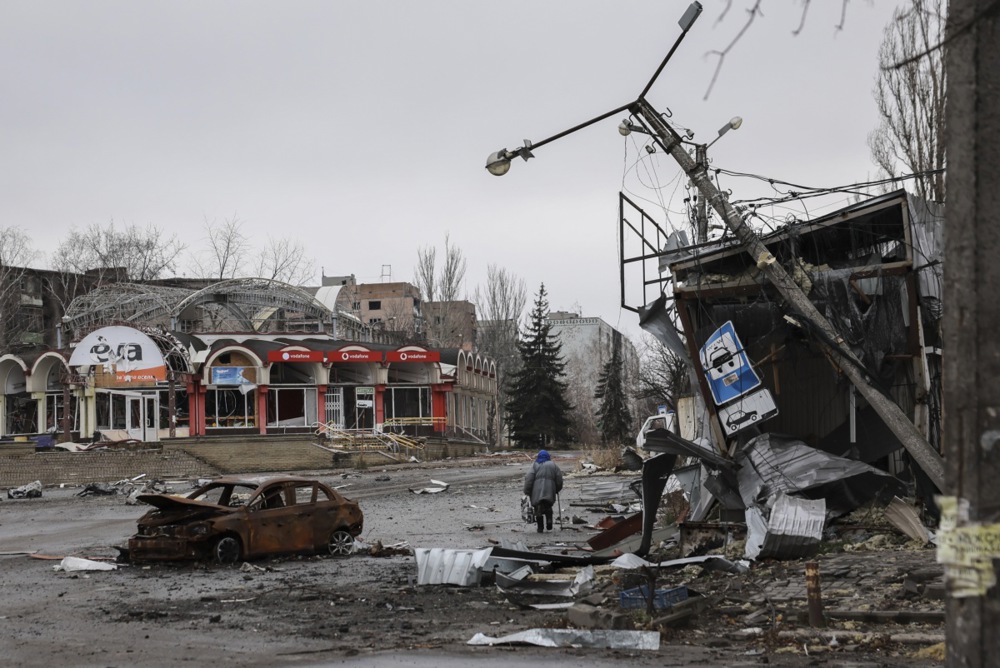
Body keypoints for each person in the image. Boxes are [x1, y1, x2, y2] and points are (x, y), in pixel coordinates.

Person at [523, 449, 563, 533]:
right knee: (548, 506)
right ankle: (549, 521)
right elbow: (559, 479)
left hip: (536, 492)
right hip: (550, 490)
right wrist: (557, 489)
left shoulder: (535, 465)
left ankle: (540, 527)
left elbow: (529, 479)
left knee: (538, 508)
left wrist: (527, 490)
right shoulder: (553, 465)